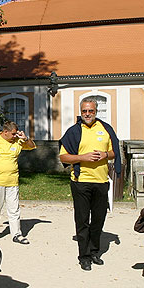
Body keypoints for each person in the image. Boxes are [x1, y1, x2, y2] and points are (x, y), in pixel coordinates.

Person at [59, 100, 118, 270]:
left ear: (96, 111)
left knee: (99, 219)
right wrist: (82, 157)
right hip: (81, 181)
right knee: (82, 220)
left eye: (90, 110)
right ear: (80, 112)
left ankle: (94, 251)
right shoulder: (74, 131)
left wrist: (105, 154)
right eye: (84, 111)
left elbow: (114, 153)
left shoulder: (105, 129)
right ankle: (84, 256)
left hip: (101, 181)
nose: (87, 114)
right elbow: (63, 157)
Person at [0, 121, 36, 244]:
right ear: (5, 132)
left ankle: (16, 234)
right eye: (13, 134)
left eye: (16, 134)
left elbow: (31, 146)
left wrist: (25, 138)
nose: (15, 136)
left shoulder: (18, 141)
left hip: (12, 181)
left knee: (14, 209)